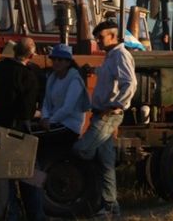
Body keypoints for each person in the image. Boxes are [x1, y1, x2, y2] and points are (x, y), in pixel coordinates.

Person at [72, 20, 137, 217]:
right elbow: (110, 76)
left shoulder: (120, 55)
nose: (97, 41)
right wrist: (93, 71)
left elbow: (130, 82)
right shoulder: (111, 57)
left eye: (100, 38)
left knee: (81, 149)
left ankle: (88, 192)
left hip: (107, 115)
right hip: (103, 113)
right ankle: (110, 207)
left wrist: (116, 105)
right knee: (106, 163)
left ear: (112, 36)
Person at [0, 37, 46, 221]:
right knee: (31, 176)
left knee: (3, 177)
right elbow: (26, 110)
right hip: (17, 132)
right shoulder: (29, 75)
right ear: (31, 55)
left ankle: (10, 214)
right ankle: (36, 215)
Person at [40, 44, 90, 147]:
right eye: (54, 59)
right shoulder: (52, 77)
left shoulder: (75, 80)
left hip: (70, 126)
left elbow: (68, 108)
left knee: (38, 139)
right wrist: (45, 117)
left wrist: (51, 121)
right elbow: (46, 101)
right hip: (54, 122)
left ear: (68, 62)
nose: (56, 62)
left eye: (60, 60)